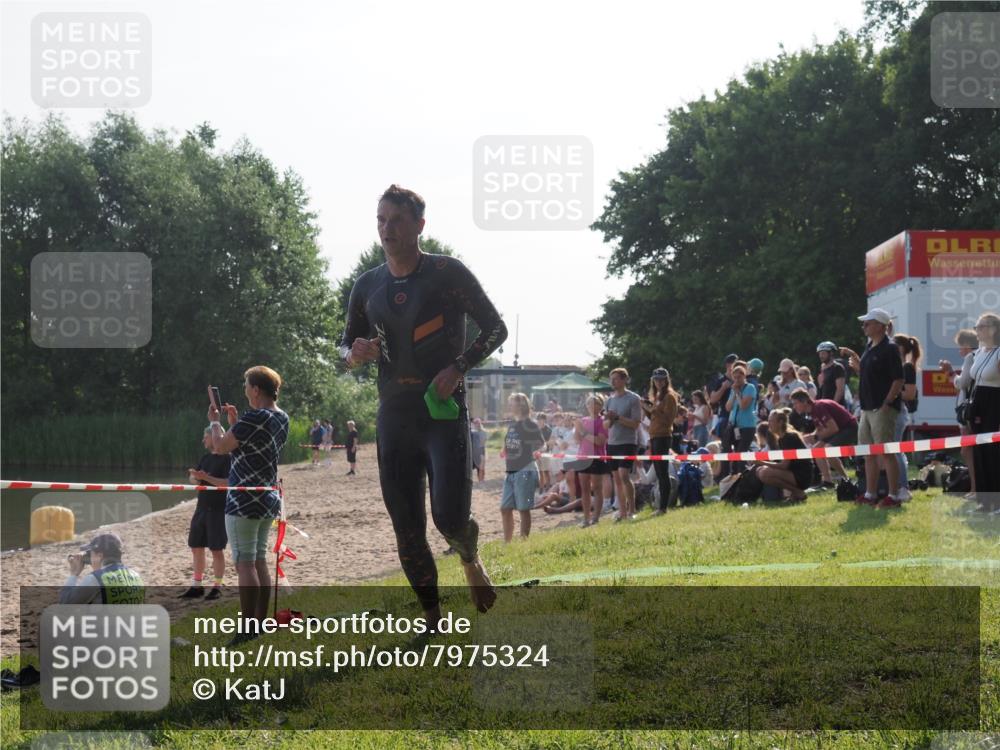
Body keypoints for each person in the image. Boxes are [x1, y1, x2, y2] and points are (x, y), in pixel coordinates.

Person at [341, 185, 507, 624]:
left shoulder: (446, 274)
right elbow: (345, 347)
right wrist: (354, 353)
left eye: (395, 220)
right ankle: (433, 616)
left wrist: (459, 367)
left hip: (441, 412)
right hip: (394, 414)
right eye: (380, 219)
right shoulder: (367, 285)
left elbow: (495, 329)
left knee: (449, 518)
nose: (386, 228)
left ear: (419, 225)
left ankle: (470, 559)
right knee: (407, 526)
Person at [208, 366, 289, 643]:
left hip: (243, 501)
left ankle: (247, 629)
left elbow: (219, 447)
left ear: (256, 389)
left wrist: (216, 422)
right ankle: (260, 622)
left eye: (246, 385)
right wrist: (235, 424)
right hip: (267, 498)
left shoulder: (254, 417)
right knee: (258, 561)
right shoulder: (281, 418)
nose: (244, 390)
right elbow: (250, 447)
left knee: (244, 564)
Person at [841, 308, 904, 509]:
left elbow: (898, 379)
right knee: (868, 453)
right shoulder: (870, 347)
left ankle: (893, 496)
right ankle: (870, 493)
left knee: (886, 453)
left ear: (879, 326)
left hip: (881, 408)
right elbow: (870, 377)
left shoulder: (890, 348)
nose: (864, 326)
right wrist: (859, 366)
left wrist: (887, 403)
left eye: (867, 323)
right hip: (867, 409)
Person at [953, 313, 1000, 512]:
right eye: (977, 326)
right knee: (979, 452)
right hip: (978, 403)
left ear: (993, 329)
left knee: (993, 453)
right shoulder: (979, 353)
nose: (977, 330)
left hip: (995, 403)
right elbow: (969, 381)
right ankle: (985, 500)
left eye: (981, 326)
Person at [181, 426, 231, 600]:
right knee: (196, 547)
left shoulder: (229, 458)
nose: (203, 440)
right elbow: (194, 479)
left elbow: (227, 483)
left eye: (206, 436)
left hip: (218, 510)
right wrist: (195, 476)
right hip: (201, 508)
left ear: (217, 436)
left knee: (217, 549)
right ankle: (197, 585)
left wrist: (206, 477)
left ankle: (217, 586)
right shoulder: (206, 457)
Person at [939, 328, 980, 498]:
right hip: (972, 412)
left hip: (968, 415)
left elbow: (961, 383)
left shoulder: (971, 357)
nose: (959, 350)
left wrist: (949, 372)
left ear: (968, 345)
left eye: (961, 345)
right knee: (969, 451)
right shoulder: (978, 357)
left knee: (967, 451)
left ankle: (975, 489)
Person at [790, 389, 856, 487]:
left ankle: (846, 479)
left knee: (828, 450)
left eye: (795, 403)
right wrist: (811, 436)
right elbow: (819, 428)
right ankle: (827, 481)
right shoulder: (813, 409)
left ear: (804, 401)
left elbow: (833, 428)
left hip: (849, 428)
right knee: (816, 450)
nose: (794, 407)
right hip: (840, 429)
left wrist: (815, 437)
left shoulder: (819, 407)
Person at [501, 393, 544, 541]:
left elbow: (541, 443)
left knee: (523, 510)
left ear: (521, 405)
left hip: (525, 470)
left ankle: (523, 541)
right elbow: (510, 442)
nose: (509, 406)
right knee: (505, 508)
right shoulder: (513, 424)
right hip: (511, 471)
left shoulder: (530, 424)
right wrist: (505, 448)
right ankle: (507, 543)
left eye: (512, 403)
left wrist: (535, 450)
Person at [60, 532, 144, 604]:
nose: (91, 560)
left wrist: (74, 574)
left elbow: (65, 604)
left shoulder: (95, 578)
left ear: (99, 556)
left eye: (91, 554)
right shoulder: (136, 576)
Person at [604, 368, 643, 521]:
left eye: (616, 379)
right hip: (612, 443)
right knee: (616, 478)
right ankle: (622, 511)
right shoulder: (609, 400)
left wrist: (618, 417)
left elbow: (635, 423)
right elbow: (606, 425)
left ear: (624, 380)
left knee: (624, 474)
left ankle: (632, 510)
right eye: (611, 379)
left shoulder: (633, 398)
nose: (613, 382)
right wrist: (611, 419)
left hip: (628, 442)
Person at [641, 368, 678, 515]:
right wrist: (647, 410)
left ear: (666, 380)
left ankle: (663, 508)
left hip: (663, 436)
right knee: (659, 472)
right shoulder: (657, 396)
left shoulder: (670, 397)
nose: (658, 382)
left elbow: (668, 420)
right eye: (656, 379)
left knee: (662, 473)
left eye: (661, 379)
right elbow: (655, 419)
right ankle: (661, 506)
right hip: (655, 435)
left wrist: (653, 409)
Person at [756, 409, 813, 503]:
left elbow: (784, 466)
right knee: (760, 470)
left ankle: (797, 492)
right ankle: (794, 494)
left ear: (780, 422)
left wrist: (761, 462)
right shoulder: (781, 439)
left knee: (764, 473)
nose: (769, 424)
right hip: (794, 473)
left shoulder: (789, 437)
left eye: (771, 421)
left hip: (802, 476)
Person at [575, 394, 609, 527]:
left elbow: (600, 441)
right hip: (583, 457)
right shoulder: (583, 420)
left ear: (601, 406)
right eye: (590, 404)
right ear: (587, 406)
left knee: (596, 487)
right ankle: (585, 518)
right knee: (584, 489)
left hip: (597, 457)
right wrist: (577, 427)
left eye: (596, 404)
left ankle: (596, 517)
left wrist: (583, 432)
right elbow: (577, 440)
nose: (593, 407)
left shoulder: (602, 421)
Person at [709, 354, 738, 478]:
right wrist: (723, 388)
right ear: (728, 365)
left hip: (739, 418)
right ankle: (724, 475)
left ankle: (737, 473)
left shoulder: (740, 379)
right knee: (725, 448)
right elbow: (713, 399)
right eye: (734, 363)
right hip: (726, 418)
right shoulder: (720, 381)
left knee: (738, 447)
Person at [725, 364, 758, 475]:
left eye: (739, 377)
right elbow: (728, 407)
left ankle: (743, 475)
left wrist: (738, 392)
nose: (737, 380)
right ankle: (734, 476)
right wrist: (734, 393)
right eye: (734, 377)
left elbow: (744, 405)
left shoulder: (750, 388)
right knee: (734, 454)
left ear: (744, 376)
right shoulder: (733, 390)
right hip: (735, 426)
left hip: (747, 426)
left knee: (741, 453)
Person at [535, 412, 553, 491]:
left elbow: (548, 441)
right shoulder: (535, 429)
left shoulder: (548, 429)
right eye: (538, 419)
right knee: (539, 472)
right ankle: (541, 487)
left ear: (544, 420)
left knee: (546, 471)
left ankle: (548, 487)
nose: (539, 421)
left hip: (545, 452)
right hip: (537, 452)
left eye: (540, 419)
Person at [470, 417, 488, 482]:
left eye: (477, 423)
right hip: (473, 451)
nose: (476, 424)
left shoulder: (483, 432)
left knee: (480, 467)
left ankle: (481, 480)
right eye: (475, 423)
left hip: (480, 451)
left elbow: (483, 442)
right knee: (472, 466)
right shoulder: (472, 432)